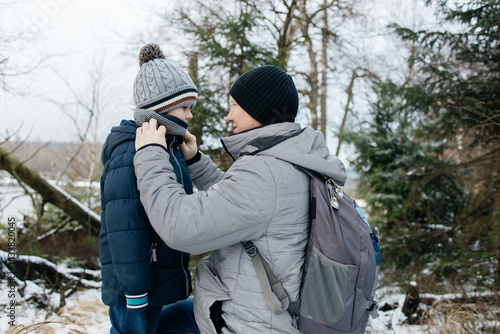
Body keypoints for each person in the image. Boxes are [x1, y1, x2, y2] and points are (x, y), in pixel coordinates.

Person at [134, 65, 347, 334]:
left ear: (257, 110)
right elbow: (241, 205)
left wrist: (150, 153)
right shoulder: (293, 161)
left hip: (247, 323)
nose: (229, 116)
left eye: (235, 105)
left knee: (160, 327)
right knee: (173, 317)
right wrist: (197, 163)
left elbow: (179, 226)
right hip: (277, 314)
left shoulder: (265, 173)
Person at [99, 43, 195, 334]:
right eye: (185, 107)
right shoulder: (130, 153)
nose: (190, 116)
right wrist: (135, 292)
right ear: (162, 108)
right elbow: (124, 230)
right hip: (135, 291)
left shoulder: (167, 149)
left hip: (154, 281)